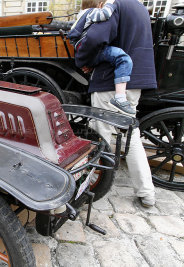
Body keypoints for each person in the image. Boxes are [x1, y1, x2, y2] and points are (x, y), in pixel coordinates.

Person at [76, 0, 156, 207]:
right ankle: (146, 192)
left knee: (99, 132)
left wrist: (84, 60)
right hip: (133, 79)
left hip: (109, 81)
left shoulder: (115, 4)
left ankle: (91, 184)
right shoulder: (139, 7)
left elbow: (94, 37)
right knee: (130, 133)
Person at [67, 0, 135, 115]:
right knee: (123, 59)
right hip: (91, 48)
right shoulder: (91, 12)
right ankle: (120, 97)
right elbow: (104, 14)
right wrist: (111, 4)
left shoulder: (82, 14)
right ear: (100, 5)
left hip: (85, 49)